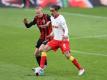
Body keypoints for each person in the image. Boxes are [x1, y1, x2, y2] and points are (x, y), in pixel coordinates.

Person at [35, 5, 85, 76]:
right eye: (50, 11)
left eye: (52, 11)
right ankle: (41, 68)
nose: (51, 12)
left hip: (63, 40)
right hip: (55, 40)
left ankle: (81, 69)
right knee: (44, 49)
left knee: (68, 56)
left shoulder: (61, 18)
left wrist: (65, 35)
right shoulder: (52, 17)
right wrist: (51, 34)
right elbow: (54, 28)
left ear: (56, 11)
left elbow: (66, 28)